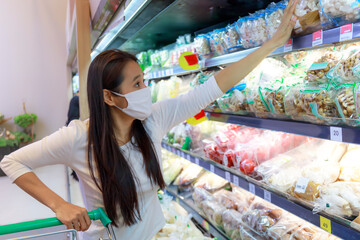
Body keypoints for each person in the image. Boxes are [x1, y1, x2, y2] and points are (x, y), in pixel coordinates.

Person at [0, 1, 298, 239]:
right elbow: (10, 162)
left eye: (144, 80)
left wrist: (270, 44)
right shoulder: (79, 137)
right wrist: (59, 204)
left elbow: (213, 87)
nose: (146, 90)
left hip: (157, 233)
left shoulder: (153, 119)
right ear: (109, 97)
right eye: (138, 84)